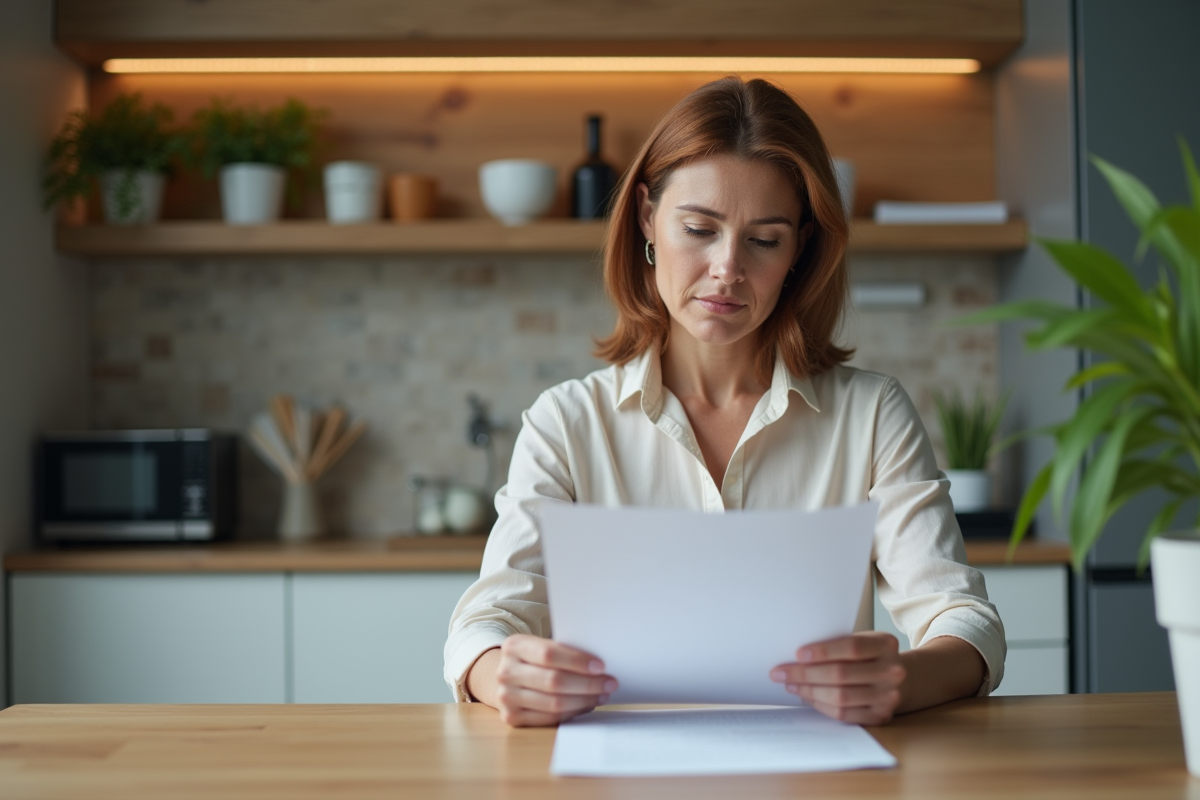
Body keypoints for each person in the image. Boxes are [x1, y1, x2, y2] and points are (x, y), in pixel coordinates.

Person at [444, 76, 1005, 728]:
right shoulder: (566, 424)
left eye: (764, 240)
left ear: (801, 248)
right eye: (699, 228)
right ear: (648, 218)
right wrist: (498, 672)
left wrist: (901, 679)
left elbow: (964, 620)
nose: (727, 269)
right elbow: (486, 622)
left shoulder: (872, 415)